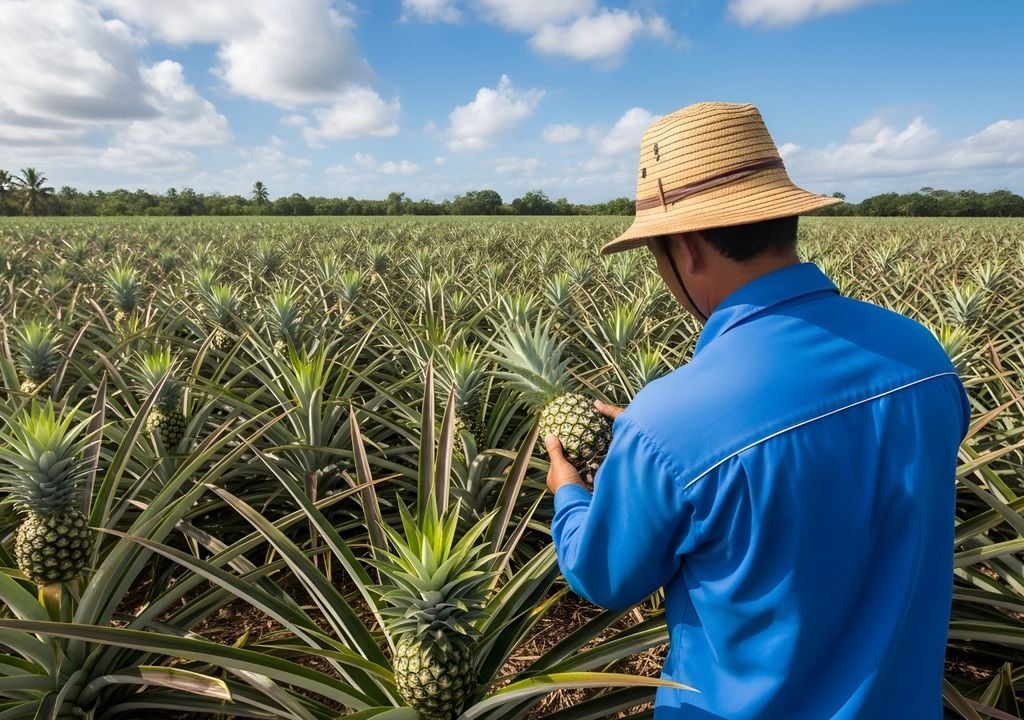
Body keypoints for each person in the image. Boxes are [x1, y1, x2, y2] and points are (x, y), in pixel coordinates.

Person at [544, 102, 970, 719]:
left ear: (685, 249)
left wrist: (570, 492)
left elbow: (605, 577)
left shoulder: (667, 420)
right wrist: (654, 449)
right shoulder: (922, 353)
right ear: (784, 219)